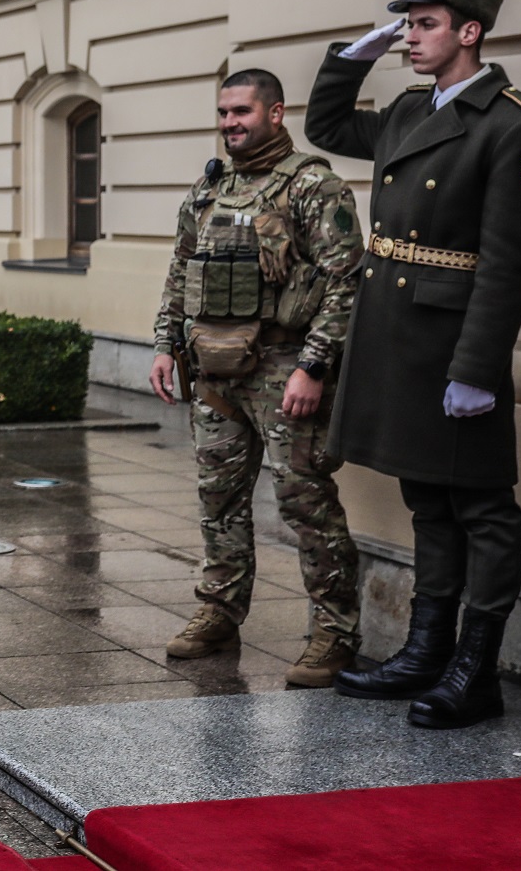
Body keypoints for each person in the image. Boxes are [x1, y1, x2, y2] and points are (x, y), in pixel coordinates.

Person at [306, 0, 521, 730]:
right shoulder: (413, 110)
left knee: (482, 506)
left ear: (469, 31)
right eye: (405, 23)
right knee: (428, 498)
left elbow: (513, 262)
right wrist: (356, 57)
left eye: (423, 24)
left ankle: (474, 669)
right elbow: (325, 125)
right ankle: (424, 650)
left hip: (455, 345)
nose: (408, 37)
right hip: (397, 336)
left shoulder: (519, 126)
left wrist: (478, 367)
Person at [150, 71, 366, 687]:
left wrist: (314, 367)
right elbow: (180, 270)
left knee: (304, 500)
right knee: (218, 498)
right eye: (222, 112)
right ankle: (219, 609)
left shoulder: (312, 185)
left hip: (284, 369)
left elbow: (345, 281)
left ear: (275, 112)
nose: (229, 123)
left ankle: (335, 631)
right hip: (215, 371)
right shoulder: (209, 188)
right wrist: (166, 345)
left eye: (241, 111)